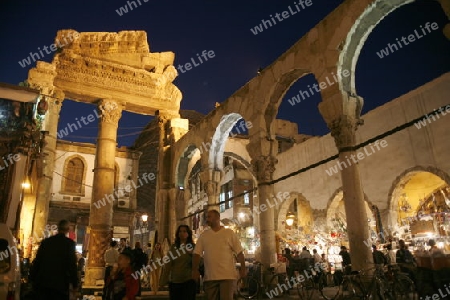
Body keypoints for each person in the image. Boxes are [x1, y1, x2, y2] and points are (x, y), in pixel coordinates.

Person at [192, 209, 246, 300]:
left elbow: (239, 252)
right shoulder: (204, 235)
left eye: (209, 217)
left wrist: (243, 269)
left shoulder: (229, 233)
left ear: (217, 218)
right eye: (207, 217)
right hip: (210, 277)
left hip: (227, 276)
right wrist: (194, 270)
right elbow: (197, 254)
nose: (207, 219)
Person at [29, 220, 78, 300]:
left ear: (58, 228)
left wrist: (32, 279)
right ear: (67, 230)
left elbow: (37, 261)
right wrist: (75, 284)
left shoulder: (46, 242)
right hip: (60, 285)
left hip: (43, 283)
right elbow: (72, 265)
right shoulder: (69, 244)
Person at [160, 225, 196, 300]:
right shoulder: (174, 247)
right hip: (175, 282)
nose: (182, 233)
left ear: (188, 234)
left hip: (188, 281)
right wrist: (163, 281)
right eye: (180, 231)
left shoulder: (193, 246)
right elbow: (168, 265)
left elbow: (198, 262)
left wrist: (191, 254)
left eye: (184, 231)